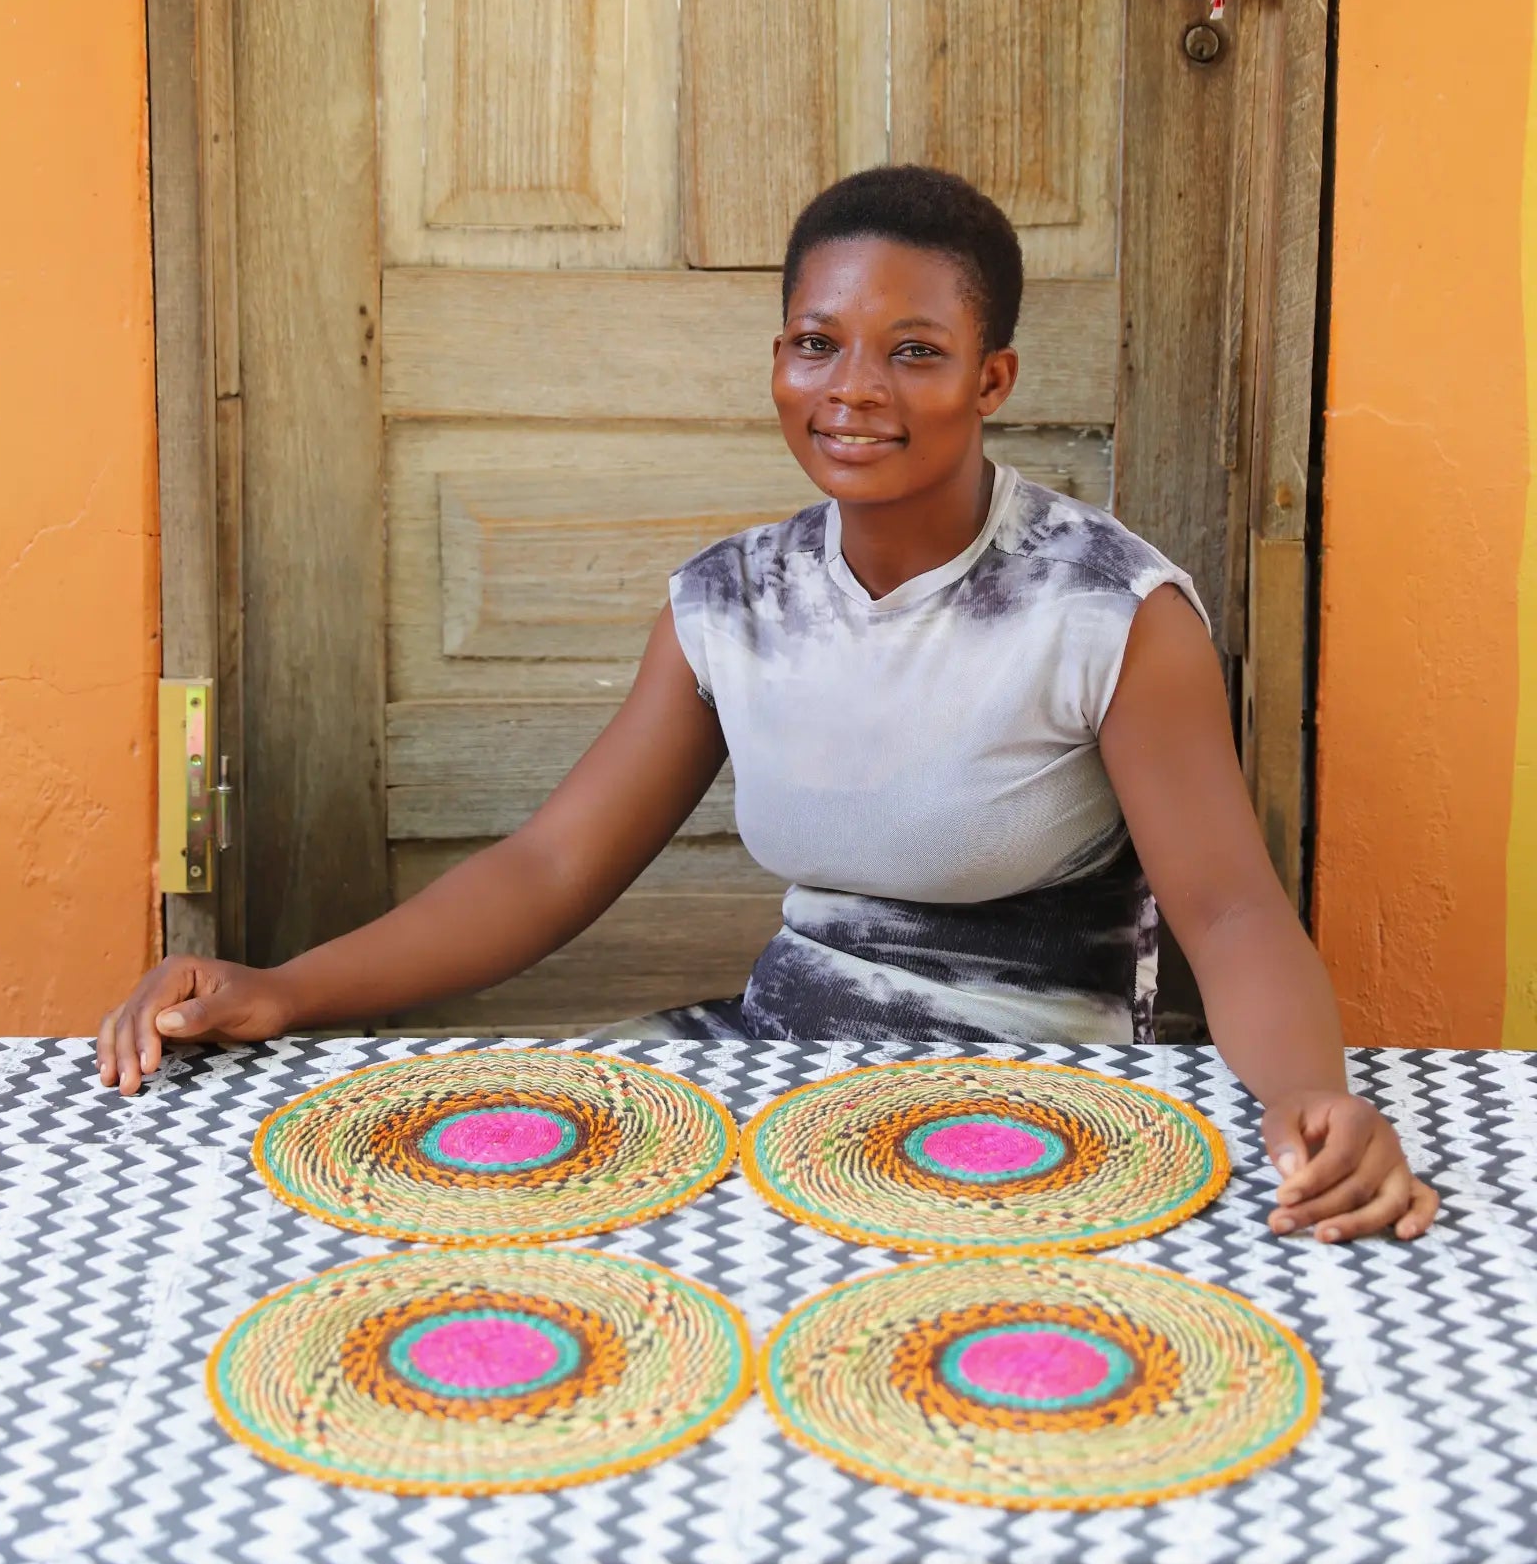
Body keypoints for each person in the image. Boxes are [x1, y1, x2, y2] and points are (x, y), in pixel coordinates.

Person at [100, 166, 1436, 1244]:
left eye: (915, 351)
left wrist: (1312, 1098)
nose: (852, 388)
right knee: (445, 1198)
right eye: (816, 343)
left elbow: (1230, 909)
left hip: (1039, 1105)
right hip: (787, 1061)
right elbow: (552, 866)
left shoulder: (1108, 609)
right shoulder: (732, 601)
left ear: (993, 380)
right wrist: (283, 990)